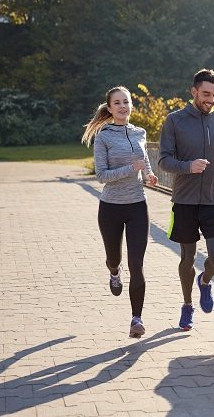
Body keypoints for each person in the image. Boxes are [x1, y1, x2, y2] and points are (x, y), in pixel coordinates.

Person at [158, 69, 214, 331]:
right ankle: (187, 306)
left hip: (213, 200)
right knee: (187, 258)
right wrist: (188, 166)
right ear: (193, 91)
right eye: (206, 94)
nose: (210, 99)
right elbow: (163, 161)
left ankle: (205, 281)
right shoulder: (175, 121)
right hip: (184, 201)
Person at [82, 86, 158, 338]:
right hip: (111, 208)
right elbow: (102, 176)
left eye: (126, 102)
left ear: (130, 106)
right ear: (110, 108)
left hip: (137, 205)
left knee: (137, 263)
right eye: (117, 103)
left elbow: (143, 159)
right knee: (114, 258)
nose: (123, 106)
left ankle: (136, 319)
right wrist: (130, 168)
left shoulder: (140, 132)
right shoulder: (103, 136)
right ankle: (114, 272)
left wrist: (148, 174)